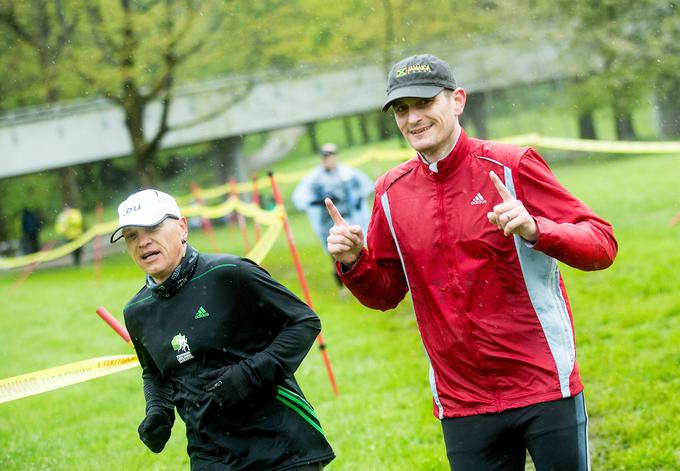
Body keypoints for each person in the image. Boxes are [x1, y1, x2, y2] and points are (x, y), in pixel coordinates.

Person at [325, 54, 618, 471]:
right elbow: (386, 294)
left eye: (424, 103)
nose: (413, 118)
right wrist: (355, 262)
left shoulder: (512, 165)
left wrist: (537, 229)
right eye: (402, 110)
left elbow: (602, 244)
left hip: (544, 386)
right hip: (462, 403)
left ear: (457, 100)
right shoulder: (390, 191)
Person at [110, 189, 334, 470]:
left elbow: (303, 322)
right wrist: (158, 410)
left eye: (152, 228)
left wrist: (250, 374)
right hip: (209, 453)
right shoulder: (137, 310)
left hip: (279, 442)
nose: (143, 242)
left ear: (182, 227)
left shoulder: (229, 273)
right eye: (131, 235)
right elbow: (154, 372)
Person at [292, 143, 373, 291]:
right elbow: (301, 198)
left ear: (335, 156)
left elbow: (366, 187)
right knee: (335, 253)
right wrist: (318, 200)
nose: (327, 158)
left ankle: (360, 282)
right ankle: (342, 286)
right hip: (327, 223)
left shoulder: (347, 173)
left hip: (348, 219)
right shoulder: (315, 178)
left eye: (330, 155)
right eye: (324, 156)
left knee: (354, 251)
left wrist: (357, 200)